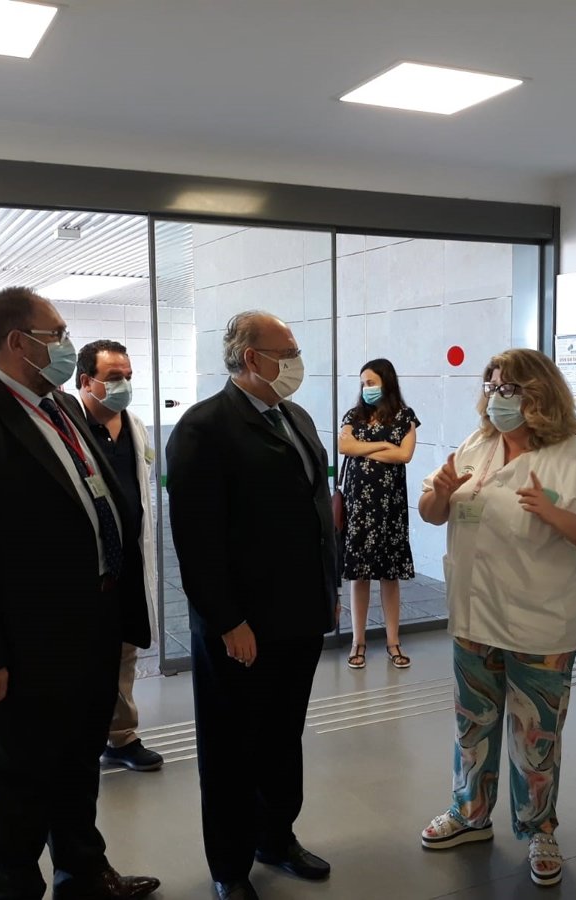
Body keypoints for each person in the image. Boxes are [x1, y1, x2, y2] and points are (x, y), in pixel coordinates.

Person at [0, 287, 159, 900]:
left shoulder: (64, 406)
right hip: (23, 645)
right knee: (21, 783)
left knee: (78, 765)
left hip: (93, 621)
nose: (66, 344)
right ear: (18, 342)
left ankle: (84, 874)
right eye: (58, 333)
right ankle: (18, 889)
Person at [417, 349, 576, 889]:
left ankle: (539, 828)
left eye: (507, 388)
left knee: (536, 736)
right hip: (473, 615)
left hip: (540, 623)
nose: (495, 397)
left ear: (539, 392)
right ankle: (469, 813)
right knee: (472, 724)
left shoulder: (574, 458)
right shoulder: (477, 445)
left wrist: (554, 513)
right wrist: (440, 494)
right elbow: (432, 512)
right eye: (491, 386)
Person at [166, 311, 337, 900]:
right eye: (285, 351)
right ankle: (230, 865)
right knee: (231, 747)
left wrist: (328, 592)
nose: (295, 361)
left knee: (283, 736)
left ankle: (276, 837)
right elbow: (197, 539)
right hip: (241, 625)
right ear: (249, 358)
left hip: (298, 615)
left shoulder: (296, 416)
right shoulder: (204, 428)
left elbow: (315, 513)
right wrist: (228, 620)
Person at [72, 339, 162, 773]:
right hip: (87, 566)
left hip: (129, 560)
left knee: (126, 648)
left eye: (127, 376)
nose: (124, 384)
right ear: (86, 381)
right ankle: (80, 737)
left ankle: (121, 736)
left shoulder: (136, 427)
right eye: (113, 377)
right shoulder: (68, 430)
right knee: (86, 653)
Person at [337, 358, 420, 669]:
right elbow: (345, 448)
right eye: (363, 384)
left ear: (387, 382)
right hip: (358, 506)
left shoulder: (405, 416)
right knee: (358, 575)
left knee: (389, 575)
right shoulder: (354, 415)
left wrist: (366, 445)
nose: (366, 388)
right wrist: (385, 444)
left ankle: (393, 641)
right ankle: (357, 642)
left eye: (371, 382)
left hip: (389, 507)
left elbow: (405, 454)